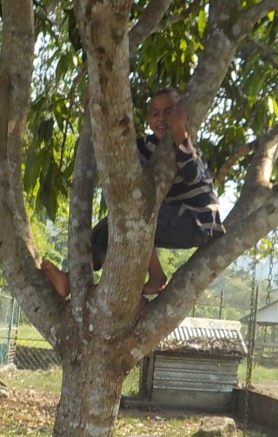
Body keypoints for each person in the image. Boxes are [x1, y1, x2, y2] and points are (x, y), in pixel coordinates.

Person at [41, 88, 225, 298]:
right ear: (148, 120)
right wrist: (92, 114)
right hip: (174, 216)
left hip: (196, 221)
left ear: (181, 115)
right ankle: (70, 280)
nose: (161, 118)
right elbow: (116, 147)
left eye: (169, 112)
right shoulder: (146, 145)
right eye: (155, 114)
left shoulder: (187, 145)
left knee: (135, 216)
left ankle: (156, 276)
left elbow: (192, 174)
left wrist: (179, 131)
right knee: (108, 228)